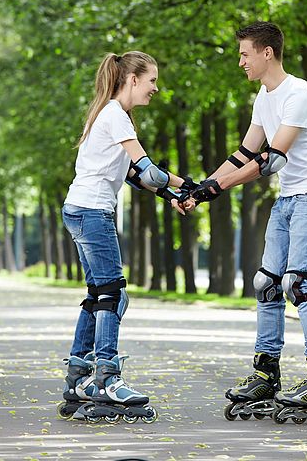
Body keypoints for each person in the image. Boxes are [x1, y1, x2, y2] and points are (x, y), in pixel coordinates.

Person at [185, 22, 307, 422]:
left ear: (266, 53)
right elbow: (243, 154)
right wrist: (200, 188)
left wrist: (215, 190)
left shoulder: (299, 94)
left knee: (299, 283)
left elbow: (271, 160)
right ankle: (266, 373)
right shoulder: (263, 97)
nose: (241, 62)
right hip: (288, 199)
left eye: (244, 54)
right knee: (266, 283)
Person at [58, 50, 195, 423]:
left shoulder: (112, 114)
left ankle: (78, 378)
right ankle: (106, 377)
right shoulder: (115, 114)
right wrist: (192, 188)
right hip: (92, 212)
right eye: (152, 80)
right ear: (132, 79)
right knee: (113, 294)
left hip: (79, 209)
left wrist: (174, 195)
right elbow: (147, 171)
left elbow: (134, 176)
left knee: (98, 294)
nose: (156, 88)